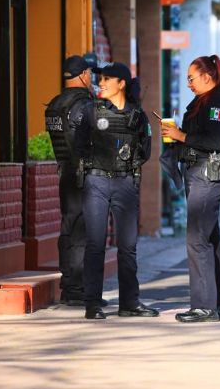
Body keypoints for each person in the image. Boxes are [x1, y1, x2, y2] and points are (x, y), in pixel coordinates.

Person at [74, 62, 158, 320]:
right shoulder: (90, 111)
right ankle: (93, 304)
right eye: (101, 78)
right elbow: (78, 146)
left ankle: (129, 303)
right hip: (96, 183)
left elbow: (145, 151)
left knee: (128, 246)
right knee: (96, 244)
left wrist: (125, 166)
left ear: (121, 83)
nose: (102, 82)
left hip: (125, 184)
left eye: (107, 78)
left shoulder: (138, 116)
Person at [161, 55, 220, 323]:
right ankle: (214, 304)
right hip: (198, 173)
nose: (189, 84)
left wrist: (181, 136)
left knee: (197, 239)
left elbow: (214, 140)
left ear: (208, 76)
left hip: (208, 174)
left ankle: (204, 306)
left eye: (192, 78)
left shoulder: (217, 102)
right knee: (208, 239)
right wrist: (176, 135)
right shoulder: (203, 102)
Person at [45, 55, 101, 307]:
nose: (92, 77)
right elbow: (91, 141)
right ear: (83, 75)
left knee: (68, 226)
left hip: (65, 172)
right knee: (81, 230)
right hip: (83, 175)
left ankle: (69, 284)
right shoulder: (84, 105)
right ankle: (77, 288)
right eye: (90, 73)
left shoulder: (55, 105)